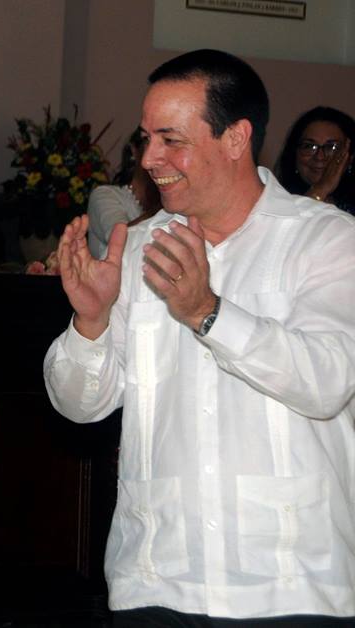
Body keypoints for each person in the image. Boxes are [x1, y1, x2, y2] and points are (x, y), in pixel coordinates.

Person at [44, 49, 355, 625]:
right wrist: (89, 322)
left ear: (236, 139)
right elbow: (81, 407)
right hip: (157, 579)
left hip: (291, 582)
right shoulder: (136, 246)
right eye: (146, 138)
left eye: (171, 139)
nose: (150, 159)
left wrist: (207, 313)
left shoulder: (327, 240)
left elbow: (327, 381)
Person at [87, 129, 160, 258]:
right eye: (148, 145)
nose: (158, 158)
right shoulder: (104, 195)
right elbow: (118, 238)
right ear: (134, 150)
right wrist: (164, 209)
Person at [275, 106, 355, 213]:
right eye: (309, 146)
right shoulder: (275, 203)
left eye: (331, 147)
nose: (319, 156)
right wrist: (320, 190)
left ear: (350, 156)